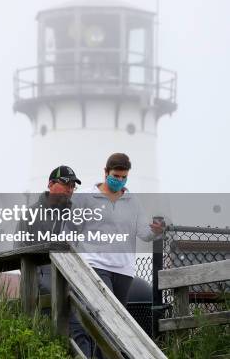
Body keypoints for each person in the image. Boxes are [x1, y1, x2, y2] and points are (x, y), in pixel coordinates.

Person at [71, 153, 164, 358]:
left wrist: (155, 231)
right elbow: (71, 229)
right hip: (95, 264)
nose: (119, 180)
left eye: (123, 177)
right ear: (105, 172)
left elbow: (143, 233)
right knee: (103, 314)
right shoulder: (86, 197)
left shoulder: (133, 201)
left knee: (116, 322)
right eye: (116, 176)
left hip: (123, 268)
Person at [14, 165, 82, 304]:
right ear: (51, 184)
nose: (69, 190)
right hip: (36, 294)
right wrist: (40, 282)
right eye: (66, 184)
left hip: (69, 293)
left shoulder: (76, 216)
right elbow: (19, 250)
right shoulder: (30, 214)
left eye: (73, 186)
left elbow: (81, 251)